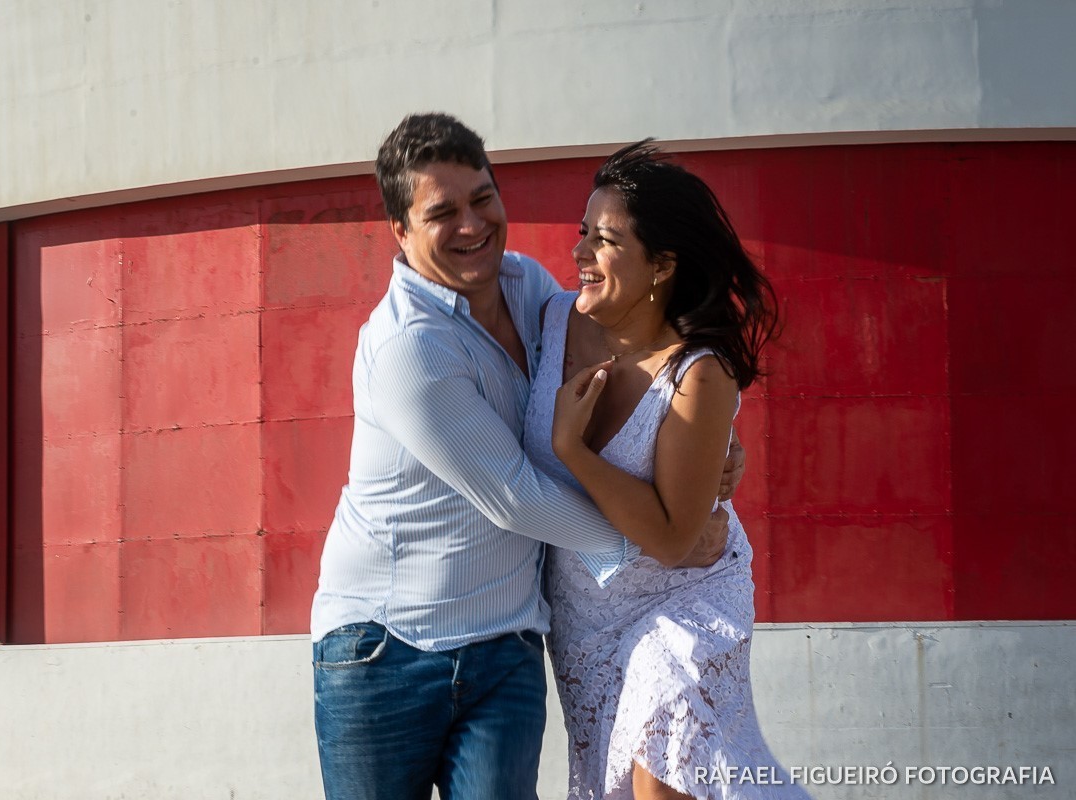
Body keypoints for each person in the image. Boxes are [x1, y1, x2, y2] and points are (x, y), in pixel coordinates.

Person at [310, 114, 742, 800]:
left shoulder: (527, 287)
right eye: (441, 212)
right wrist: (658, 543)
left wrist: (707, 428)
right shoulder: (408, 349)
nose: (471, 225)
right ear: (399, 229)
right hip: (387, 649)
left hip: (506, 644)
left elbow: (621, 341)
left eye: (482, 198)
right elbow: (513, 495)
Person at [524, 141, 808, 799]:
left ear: (661, 265)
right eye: (581, 236)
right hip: (585, 616)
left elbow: (677, 539)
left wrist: (575, 452)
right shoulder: (548, 319)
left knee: (662, 781)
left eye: (605, 241)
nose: (580, 256)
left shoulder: (697, 375)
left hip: (682, 599)